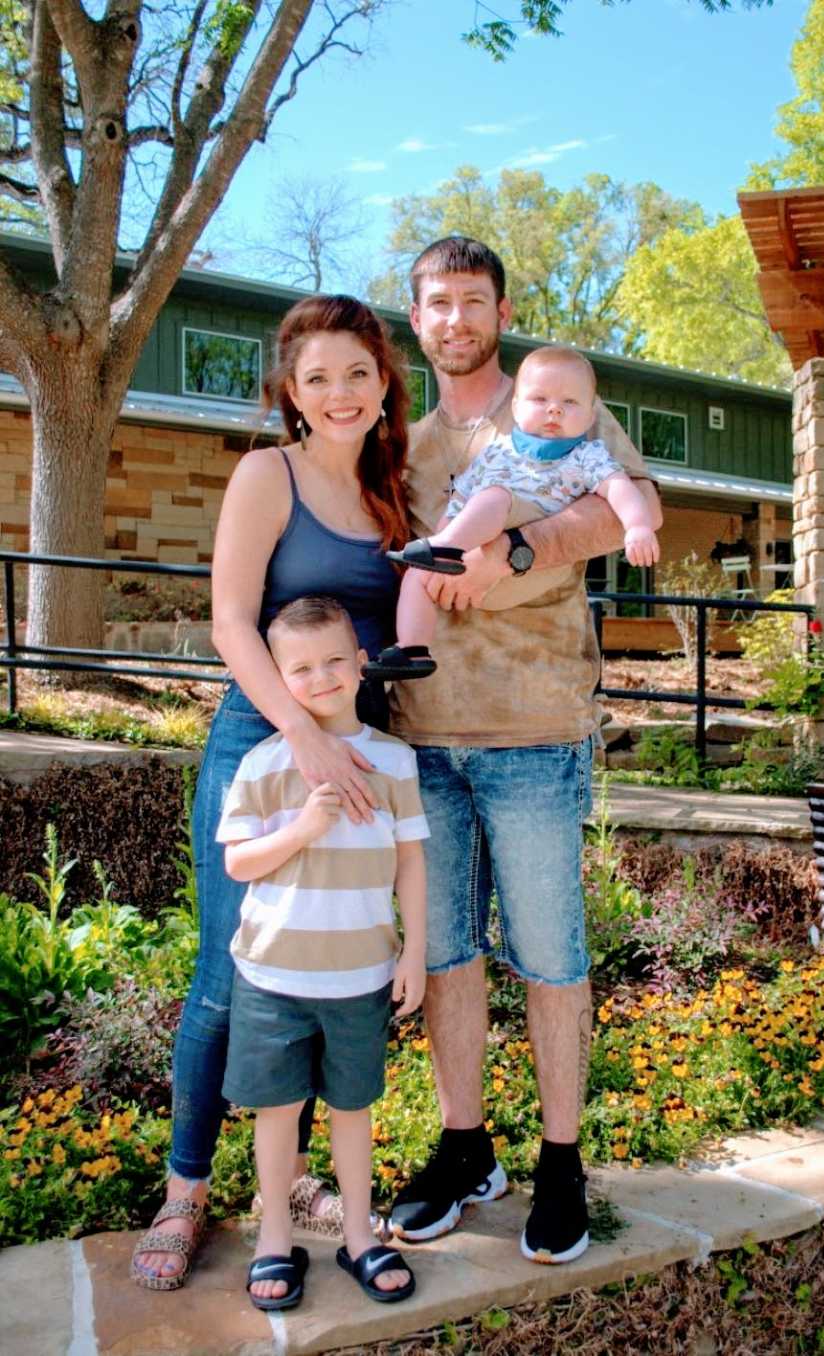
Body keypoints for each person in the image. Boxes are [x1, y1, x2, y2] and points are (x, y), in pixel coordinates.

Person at [385, 238, 662, 1264]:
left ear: (501, 312)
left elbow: (629, 506)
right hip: (424, 735)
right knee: (448, 955)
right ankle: (465, 1148)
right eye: (436, 304)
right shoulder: (405, 445)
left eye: (473, 302)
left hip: (534, 730)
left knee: (550, 959)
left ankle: (560, 1163)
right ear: (417, 319)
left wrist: (513, 551)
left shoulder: (552, 398)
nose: (455, 319)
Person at [132, 295, 414, 1291]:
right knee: (234, 971)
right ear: (290, 394)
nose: (339, 393)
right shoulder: (268, 474)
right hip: (265, 743)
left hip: (359, 758)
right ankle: (185, 1188)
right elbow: (229, 624)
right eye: (316, 377)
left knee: (324, 970)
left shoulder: (393, 497)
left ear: (384, 384)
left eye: (356, 373)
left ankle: (289, 1182)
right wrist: (303, 739)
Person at [219, 596, 427, 1310]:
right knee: (277, 1111)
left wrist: (415, 953)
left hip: (361, 975)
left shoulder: (394, 761)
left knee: (352, 1108)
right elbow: (240, 864)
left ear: (362, 663)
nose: (322, 677)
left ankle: (361, 1235)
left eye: (335, 660)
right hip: (272, 976)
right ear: (278, 677)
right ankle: (274, 1238)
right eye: (301, 668)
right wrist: (306, 826)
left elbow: (411, 864)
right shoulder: (264, 764)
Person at [366, 344, 659, 678]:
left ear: (590, 416)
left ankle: (447, 545)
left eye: (569, 403)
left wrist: (637, 527)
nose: (554, 411)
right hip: (473, 560)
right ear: (516, 408)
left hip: (532, 554)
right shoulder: (497, 451)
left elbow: (621, 488)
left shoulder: (585, 456)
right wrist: (445, 537)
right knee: (417, 575)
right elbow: (462, 499)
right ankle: (412, 649)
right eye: (540, 400)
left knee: (495, 496)